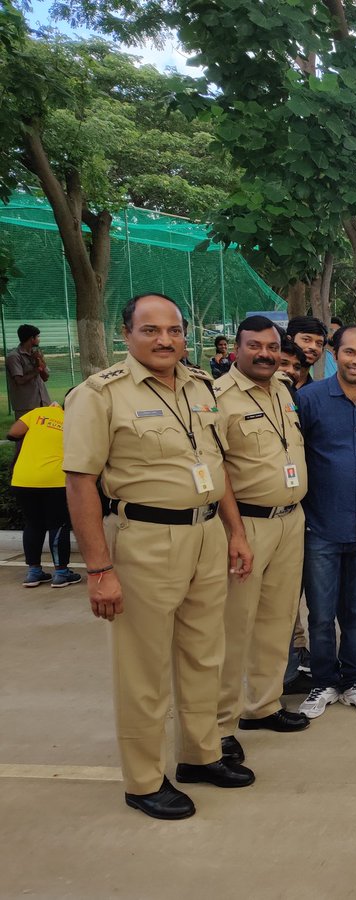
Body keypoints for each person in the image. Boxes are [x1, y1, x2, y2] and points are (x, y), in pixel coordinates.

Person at [64, 293, 254, 820]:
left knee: (203, 653)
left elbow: (216, 469)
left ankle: (200, 755)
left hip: (206, 536)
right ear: (126, 333)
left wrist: (235, 532)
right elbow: (79, 483)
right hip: (145, 540)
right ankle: (144, 780)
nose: (164, 339)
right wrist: (99, 569)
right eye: (150, 330)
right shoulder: (100, 395)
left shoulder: (199, 387)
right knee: (143, 667)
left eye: (173, 330)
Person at [212, 317, 310, 767]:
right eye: (256, 346)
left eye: (272, 347)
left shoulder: (283, 390)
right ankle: (219, 724)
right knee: (236, 626)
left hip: (290, 520)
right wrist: (234, 532)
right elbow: (218, 473)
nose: (266, 354)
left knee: (278, 618)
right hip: (247, 525)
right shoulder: (218, 398)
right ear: (238, 348)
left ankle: (263, 706)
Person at [295, 325, 356, 719]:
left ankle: (355, 683)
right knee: (320, 613)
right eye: (350, 352)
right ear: (335, 353)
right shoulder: (309, 399)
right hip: (321, 525)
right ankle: (323, 682)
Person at [8, 401, 80, 588]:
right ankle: (61, 573)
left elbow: (13, 433)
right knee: (58, 524)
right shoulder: (75, 420)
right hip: (55, 479)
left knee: (33, 523)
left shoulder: (38, 412)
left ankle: (34, 572)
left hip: (23, 478)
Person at [6, 323, 51, 417]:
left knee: (43, 431)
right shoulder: (14, 357)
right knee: (26, 432)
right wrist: (37, 370)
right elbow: (19, 380)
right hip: (26, 406)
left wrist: (40, 361)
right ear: (32, 339)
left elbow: (46, 377)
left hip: (43, 402)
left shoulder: (36, 354)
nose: (39, 339)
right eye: (38, 336)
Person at [286, 316, 328, 382]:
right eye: (306, 340)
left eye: (319, 344)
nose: (313, 347)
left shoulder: (317, 390)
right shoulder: (269, 381)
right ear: (289, 340)